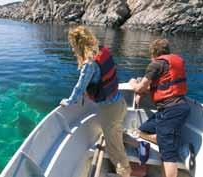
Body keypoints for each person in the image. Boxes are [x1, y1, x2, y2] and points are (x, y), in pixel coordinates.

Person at [60, 26, 148, 177]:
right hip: (120, 103)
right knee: (116, 132)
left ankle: (125, 173)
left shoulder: (89, 64)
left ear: (77, 45)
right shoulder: (103, 50)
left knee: (115, 150)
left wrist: (69, 101)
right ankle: (140, 144)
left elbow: (80, 87)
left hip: (110, 110)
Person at [129, 39, 191, 177]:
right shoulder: (170, 63)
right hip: (171, 109)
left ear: (153, 53)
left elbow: (140, 88)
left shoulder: (156, 64)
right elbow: (164, 84)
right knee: (141, 130)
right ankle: (161, 138)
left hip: (172, 111)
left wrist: (132, 83)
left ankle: (167, 142)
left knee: (167, 154)